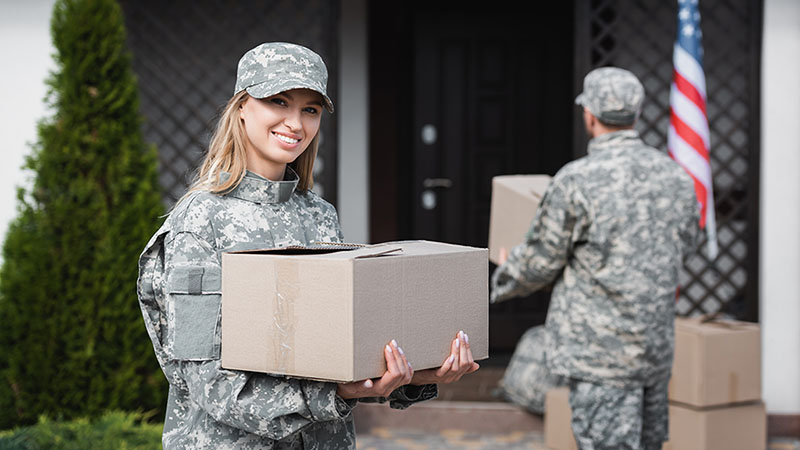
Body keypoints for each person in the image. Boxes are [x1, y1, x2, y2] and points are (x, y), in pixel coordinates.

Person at [137, 42, 479, 449]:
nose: (295, 123)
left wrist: (413, 376)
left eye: (310, 109)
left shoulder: (318, 214)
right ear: (242, 106)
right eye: (278, 101)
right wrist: (335, 395)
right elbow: (207, 382)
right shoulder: (199, 222)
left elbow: (338, 356)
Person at [491, 67, 700, 449]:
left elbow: (540, 261)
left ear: (589, 115)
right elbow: (688, 245)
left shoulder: (577, 180)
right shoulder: (677, 178)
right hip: (654, 347)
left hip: (599, 356)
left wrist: (503, 275)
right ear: (635, 115)